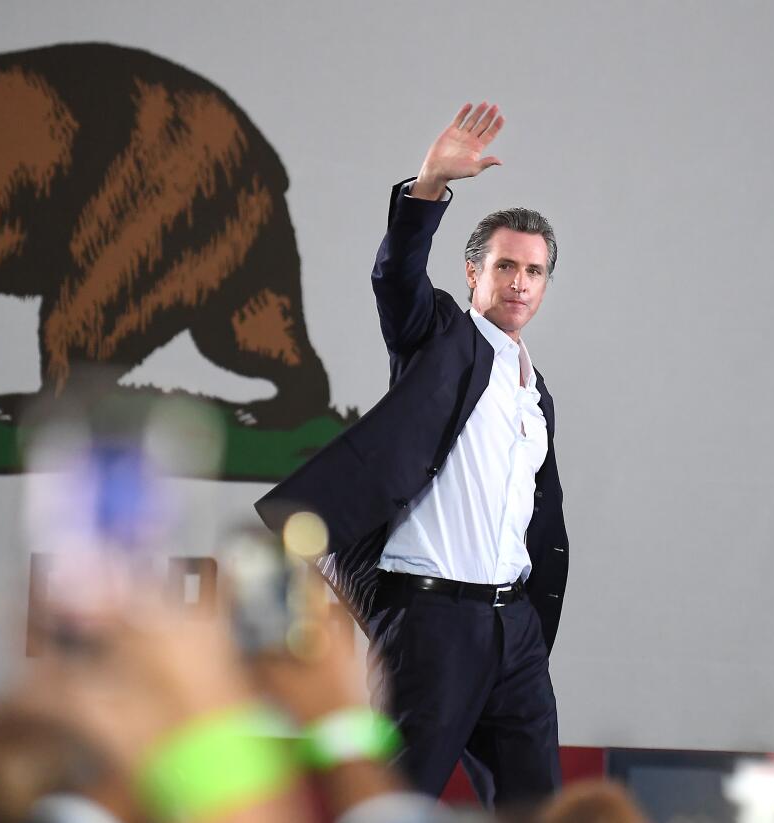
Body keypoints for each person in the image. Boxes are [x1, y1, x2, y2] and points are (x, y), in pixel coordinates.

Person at [257, 101, 571, 808]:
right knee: (392, 803)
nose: (520, 281)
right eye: (505, 266)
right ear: (472, 274)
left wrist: (519, 619)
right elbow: (395, 278)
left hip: (510, 629)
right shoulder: (440, 341)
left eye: (535, 270)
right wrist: (429, 183)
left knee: (539, 807)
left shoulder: (535, 393)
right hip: (431, 625)